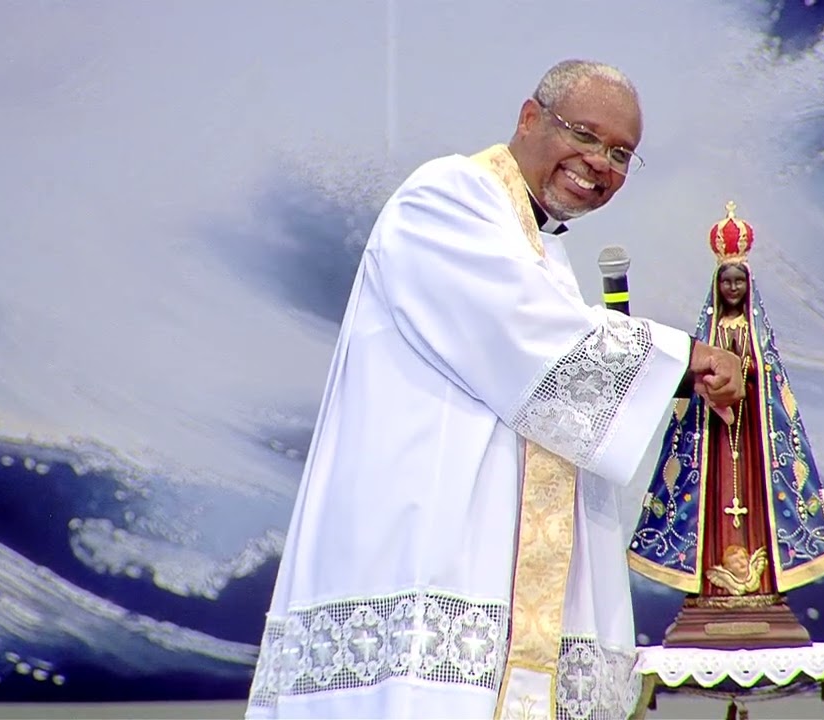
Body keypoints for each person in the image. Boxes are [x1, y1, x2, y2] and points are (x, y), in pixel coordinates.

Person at [244, 60, 745, 720]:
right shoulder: (445, 199)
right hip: (426, 564)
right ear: (529, 118)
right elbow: (526, 337)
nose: (601, 163)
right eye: (586, 135)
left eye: (622, 153)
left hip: (492, 576)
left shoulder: (539, 250)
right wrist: (684, 359)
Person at [628, 203, 824, 614]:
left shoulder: (757, 335)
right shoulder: (706, 336)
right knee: (712, 497)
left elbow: (771, 388)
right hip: (712, 439)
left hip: (754, 441)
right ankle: (710, 578)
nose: (732, 288)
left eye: (739, 281)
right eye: (726, 281)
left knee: (755, 496)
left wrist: (748, 376)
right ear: (716, 286)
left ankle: (763, 580)